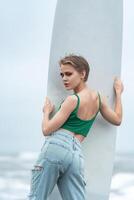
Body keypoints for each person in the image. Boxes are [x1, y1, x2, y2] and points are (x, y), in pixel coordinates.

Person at [27, 54, 124, 200]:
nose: (64, 79)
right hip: (76, 155)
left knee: (36, 197)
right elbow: (117, 119)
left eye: (68, 74)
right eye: (62, 75)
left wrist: (46, 112)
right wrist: (118, 93)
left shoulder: (72, 100)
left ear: (83, 74)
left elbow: (46, 129)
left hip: (57, 146)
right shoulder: (99, 98)